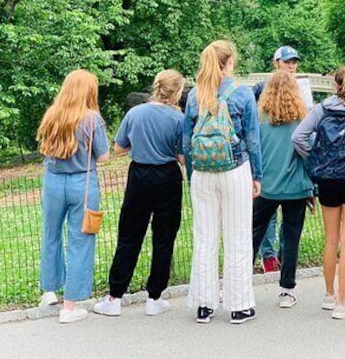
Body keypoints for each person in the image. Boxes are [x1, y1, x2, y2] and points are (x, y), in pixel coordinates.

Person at [93, 70, 185, 318]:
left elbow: (120, 148)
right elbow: (182, 157)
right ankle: (155, 296)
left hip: (140, 176)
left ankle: (114, 297)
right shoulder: (179, 119)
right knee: (164, 237)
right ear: (176, 92)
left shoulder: (135, 113)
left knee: (130, 235)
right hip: (168, 176)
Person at [292, 66, 345, 320]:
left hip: (327, 180)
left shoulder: (321, 109)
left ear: (334, 84)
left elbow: (299, 137)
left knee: (330, 239)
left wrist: (317, 158)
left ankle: (329, 295)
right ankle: (344, 302)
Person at [184, 40, 262, 324]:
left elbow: (186, 139)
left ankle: (204, 305)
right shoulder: (241, 93)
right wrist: (257, 175)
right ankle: (239, 305)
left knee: (205, 237)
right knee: (238, 235)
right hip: (234, 168)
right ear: (230, 62)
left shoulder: (194, 95)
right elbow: (253, 138)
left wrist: (192, 173)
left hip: (203, 172)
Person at [37, 69, 109, 324]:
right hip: (82, 183)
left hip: (53, 182)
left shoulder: (51, 115)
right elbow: (102, 156)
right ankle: (69, 307)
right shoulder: (92, 119)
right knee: (80, 240)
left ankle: (49, 290)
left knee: (51, 234)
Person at [251, 71, 314, 308]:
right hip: (295, 187)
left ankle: (241, 284)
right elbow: (308, 156)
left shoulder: (259, 119)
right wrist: (312, 189)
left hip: (266, 187)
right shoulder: (302, 121)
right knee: (291, 238)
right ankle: (287, 289)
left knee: (252, 235)